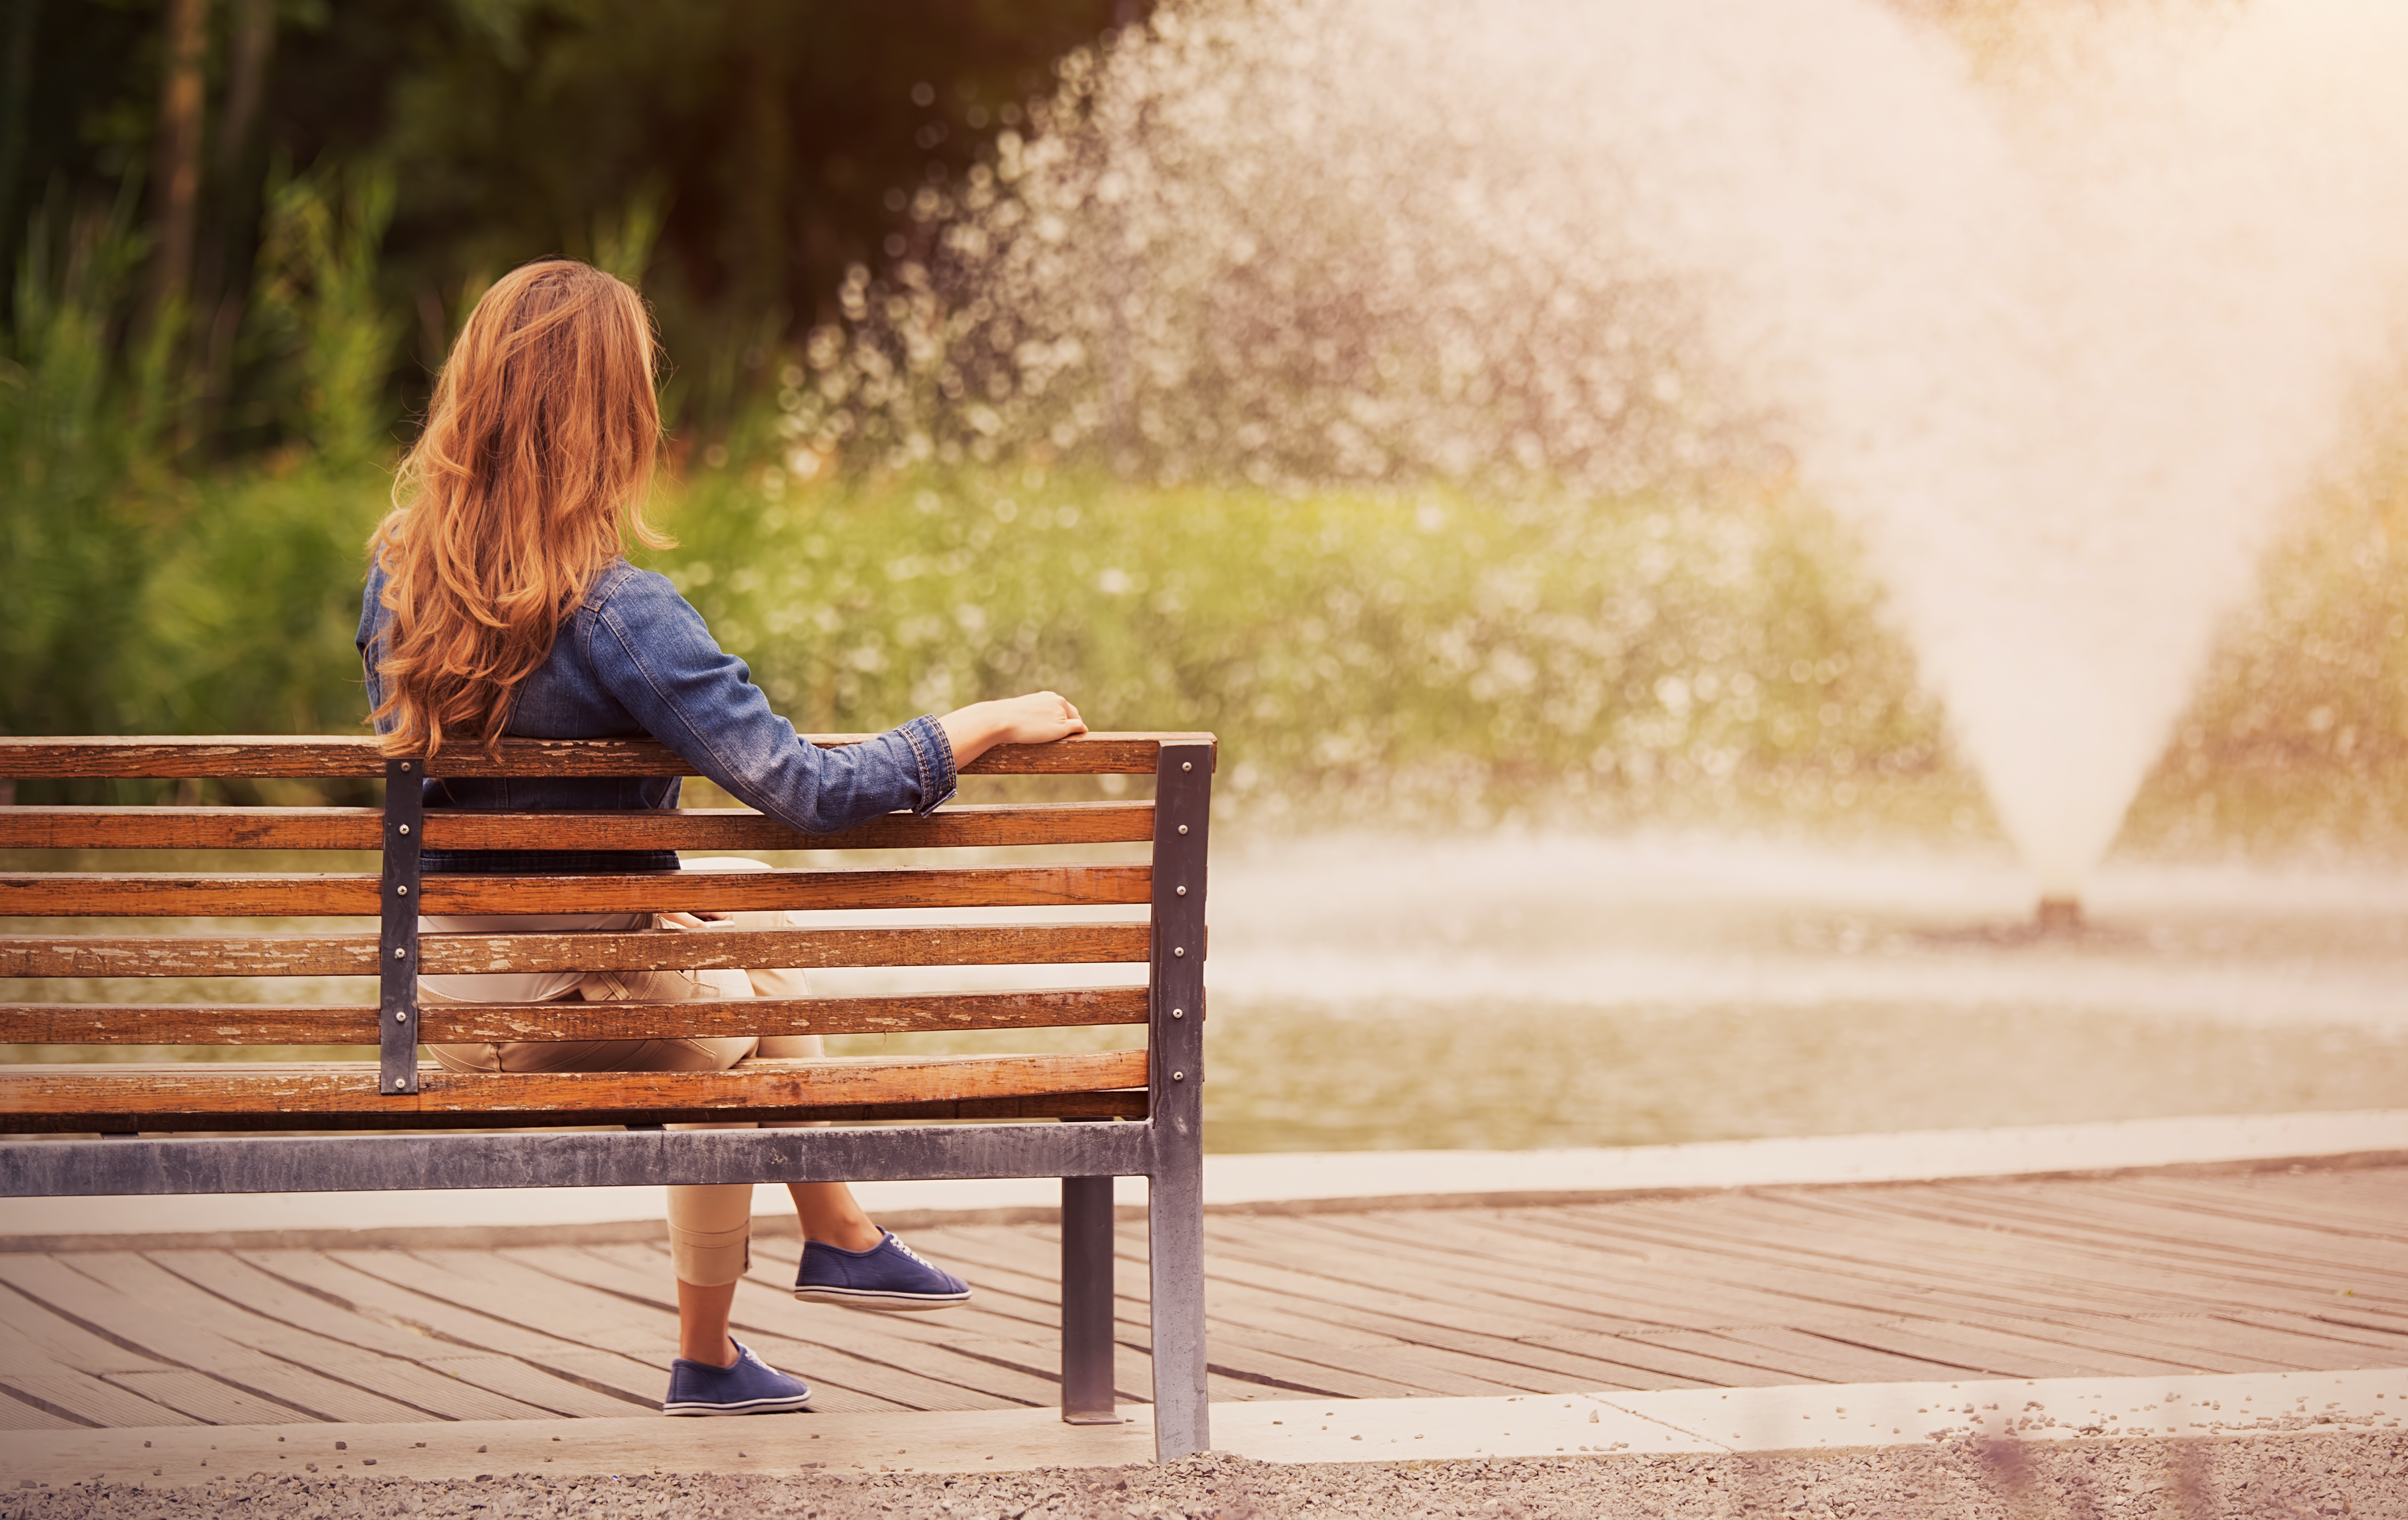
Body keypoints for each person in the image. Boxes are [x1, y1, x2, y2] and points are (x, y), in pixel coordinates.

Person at [356, 258, 1086, 1417]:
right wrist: (975, 725)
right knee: (731, 1012)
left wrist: (654, 893)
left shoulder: (399, 581)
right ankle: (827, 1238)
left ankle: (736, 1336)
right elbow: (802, 788)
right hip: (563, 1004)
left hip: (445, 1001)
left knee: (731, 930)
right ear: (615, 421)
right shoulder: (619, 609)